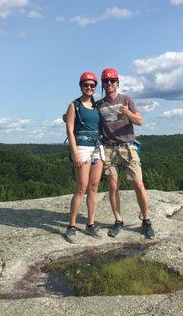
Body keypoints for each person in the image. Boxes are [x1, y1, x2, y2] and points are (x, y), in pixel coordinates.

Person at [97, 67, 155, 239]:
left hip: (128, 147)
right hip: (109, 148)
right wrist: (68, 117)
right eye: (106, 81)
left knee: (138, 184)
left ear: (117, 83)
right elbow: (89, 119)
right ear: (102, 84)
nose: (109, 83)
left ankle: (146, 221)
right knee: (113, 186)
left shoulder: (127, 99)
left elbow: (140, 121)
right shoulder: (99, 104)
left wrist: (128, 113)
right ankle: (118, 220)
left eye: (112, 81)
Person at [64, 71, 105, 243]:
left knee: (94, 187)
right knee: (81, 187)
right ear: (81, 86)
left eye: (92, 85)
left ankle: (90, 224)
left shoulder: (97, 106)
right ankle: (71, 226)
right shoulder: (75, 105)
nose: (89, 87)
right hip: (82, 147)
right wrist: (75, 152)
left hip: (97, 147)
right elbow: (70, 130)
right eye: (86, 85)